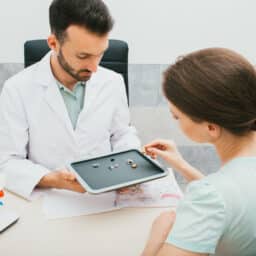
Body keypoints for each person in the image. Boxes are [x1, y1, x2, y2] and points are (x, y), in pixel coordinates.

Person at [0, 0, 140, 199]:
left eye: (100, 54)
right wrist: (53, 179)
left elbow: (122, 135)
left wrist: (129, 169)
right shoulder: (17, 89)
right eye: (83, 56)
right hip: (49, 198)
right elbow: (8, 162)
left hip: (104, 199)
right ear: (54, 43)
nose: (94, 67)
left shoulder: (113, 81)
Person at [142, 48, 256, 256]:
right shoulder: (224, 190)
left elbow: (218, 199)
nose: (176, 122)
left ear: (211, 128)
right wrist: (182, 165)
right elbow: (236, 199)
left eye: (177, 117)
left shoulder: (209, 197)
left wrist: (156, 239)